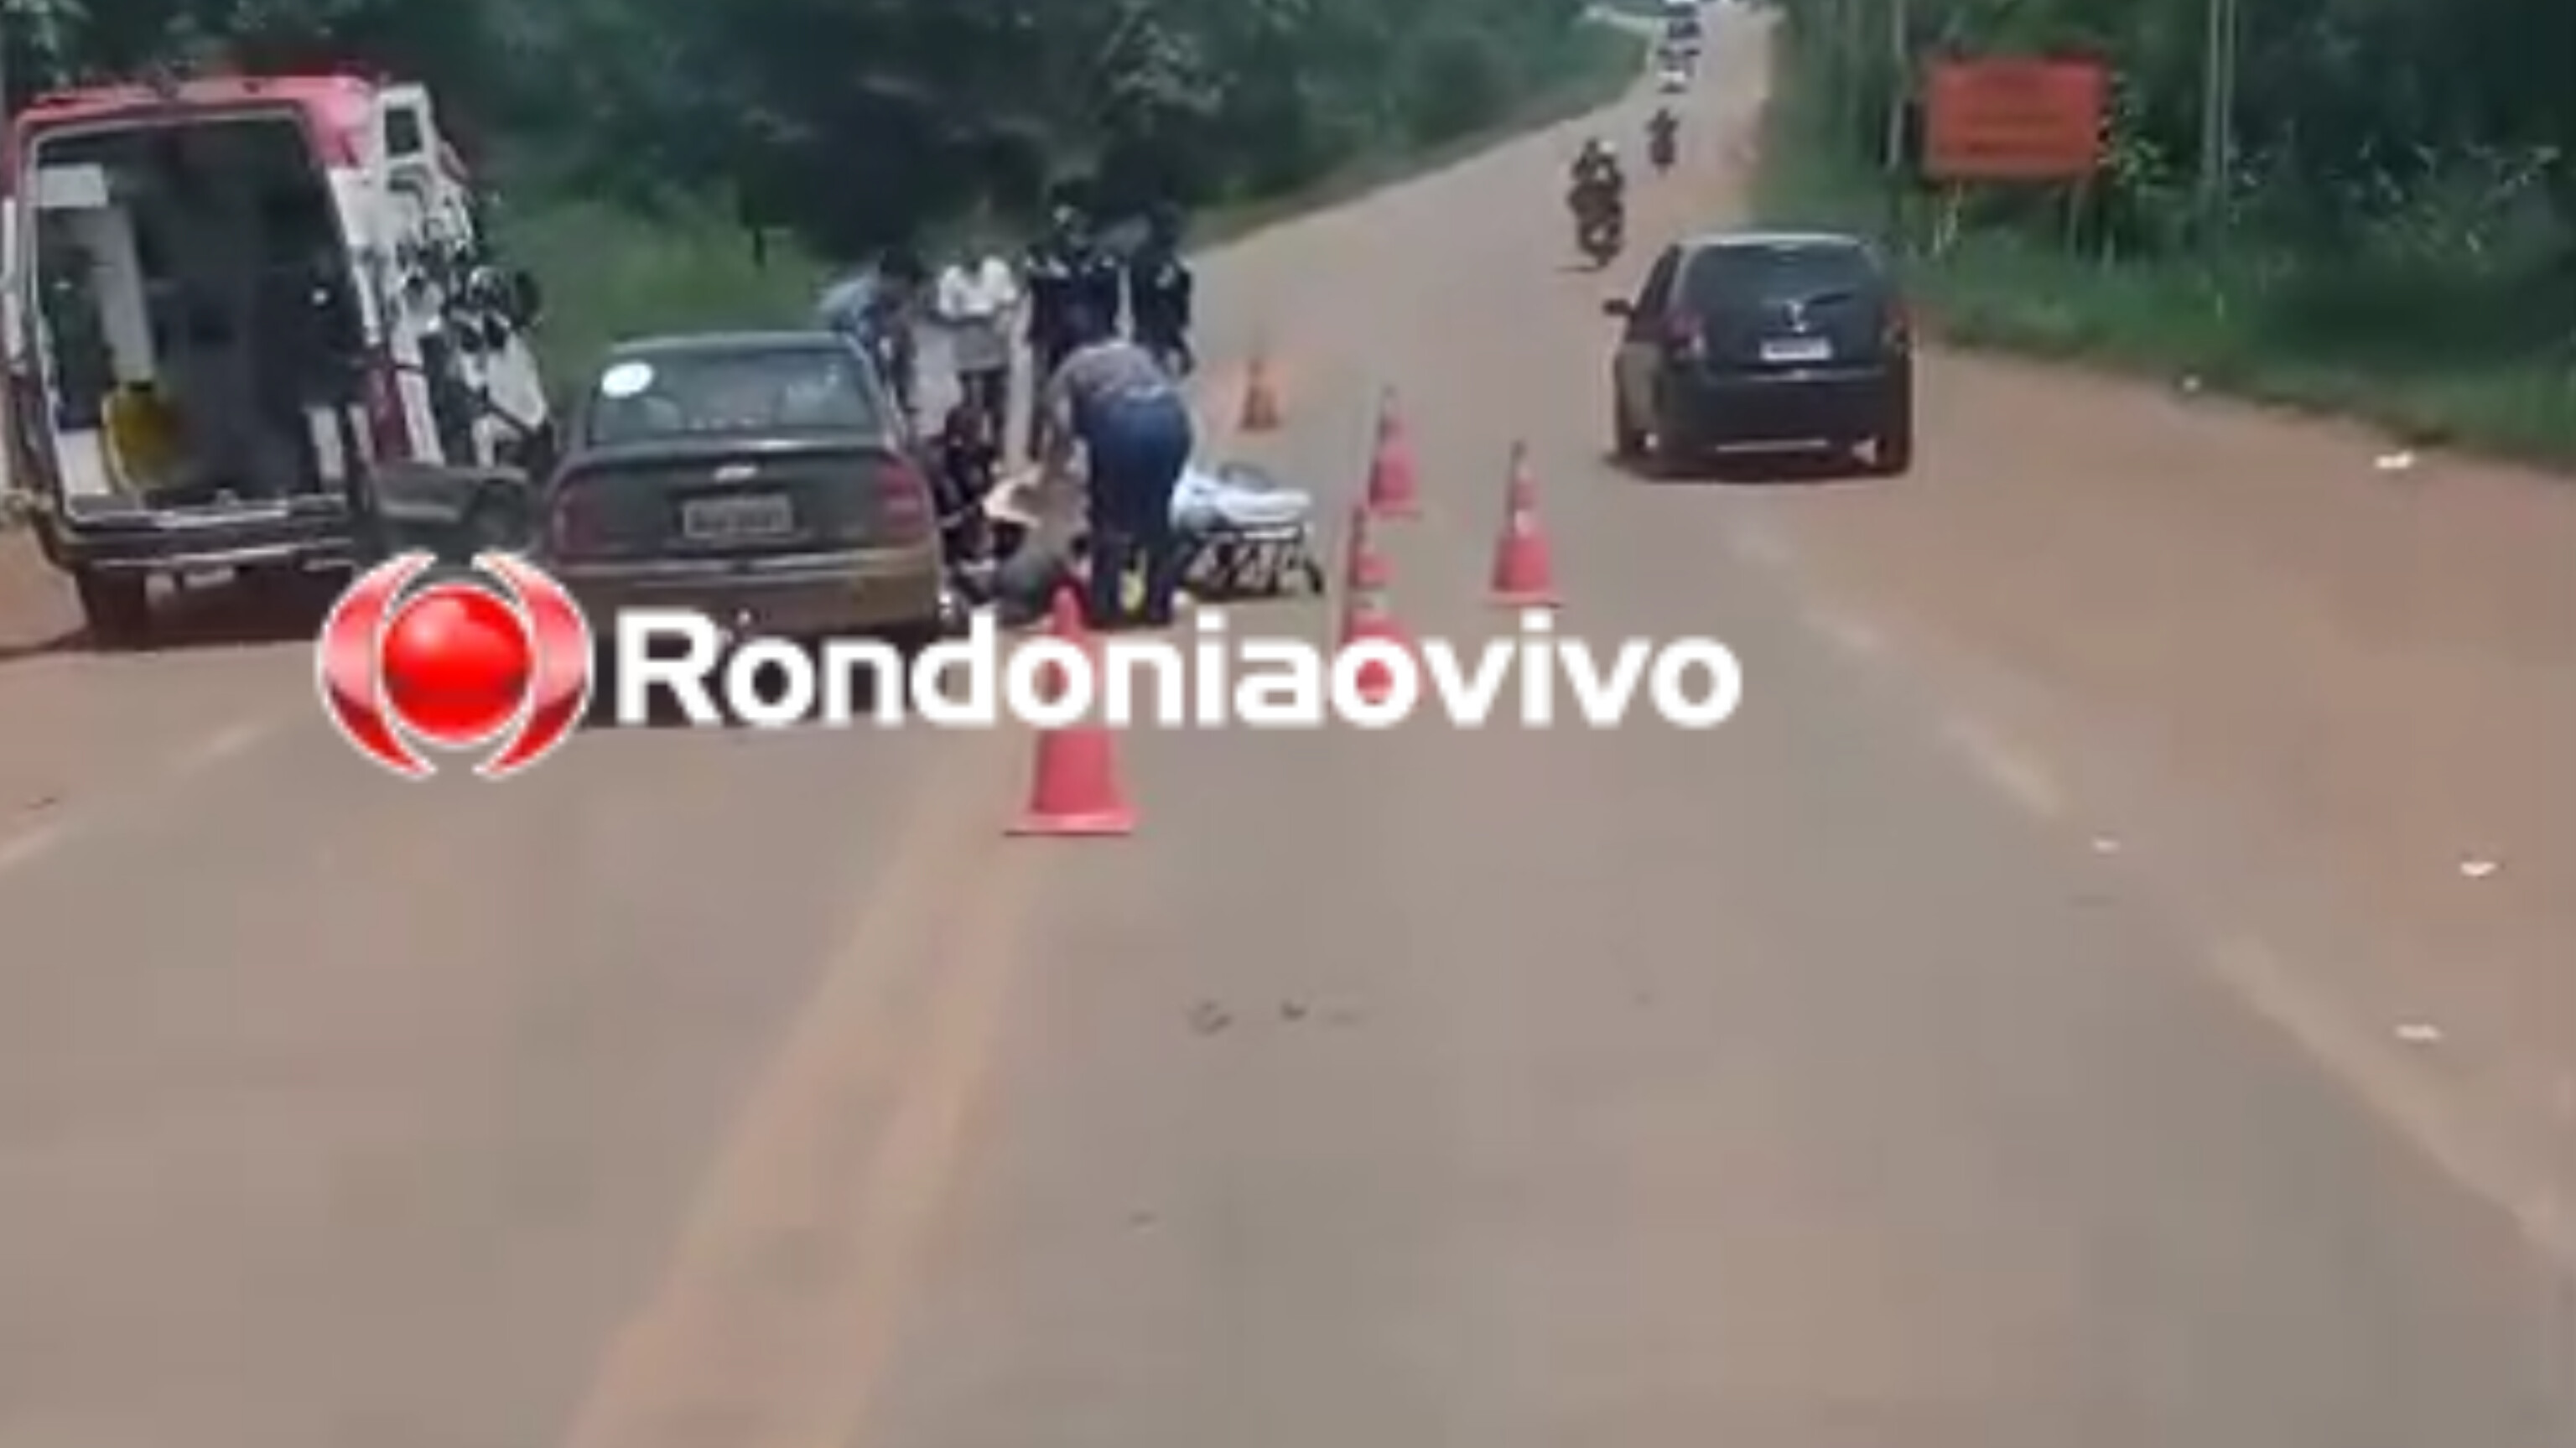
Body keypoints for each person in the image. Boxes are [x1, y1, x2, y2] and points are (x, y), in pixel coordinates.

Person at [1038, 300, 1193, 630]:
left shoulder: (1070, 368)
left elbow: (1063, 433)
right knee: (1156, 516)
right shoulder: (1134, 352)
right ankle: (1158, 604)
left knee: (1110, 520)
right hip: (1171, 421)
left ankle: (1107, 609)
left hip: (1122, 423)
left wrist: (1048, 482)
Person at [814, 247, 926, 418]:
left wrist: (909, 414)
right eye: (905, 289)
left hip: (872, 396)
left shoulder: (898, 312)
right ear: (890, 279)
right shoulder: (841, 304)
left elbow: (902, 367)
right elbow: (817, 349)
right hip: (837, 391)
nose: (907, 297)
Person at [1019, 206, 1085, 459]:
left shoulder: (1079, 254)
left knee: (1072, 389)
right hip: (1045, 330)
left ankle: (1065, 442)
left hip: (1069, 331)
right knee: (1042, 391)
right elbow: (1031, 281)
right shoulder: (1039, 253)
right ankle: (1035, 445)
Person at [936, 247, 1021, 433]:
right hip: (968, 340)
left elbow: (1010, 300)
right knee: (974, 401)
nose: (973, 258)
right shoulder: (951, 277)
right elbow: (944, 311)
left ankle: (999, 447)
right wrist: (968, 316)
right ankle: (972, 446)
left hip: (996, 339)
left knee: (1000, 404)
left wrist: (1004, 322)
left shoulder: (998, 270)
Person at [1124, 204, 1193, 376]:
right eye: (1171, 227)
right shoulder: (1145, 256)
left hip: (1168, 322)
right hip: (1151, 324)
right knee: (1154, 368)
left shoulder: (1171, 255)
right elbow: (1142, 292)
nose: (1176, 233)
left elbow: (1182, 292)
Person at [1647, 106, 1680, 170]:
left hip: (1664, 142)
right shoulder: (1657, 123)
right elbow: (1649, 128)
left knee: (1664, 151)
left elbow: (1674, 125)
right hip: (1661, 141)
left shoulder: (1666, 123)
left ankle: (1663, 162)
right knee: (1661, 151)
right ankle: (1662, 161)